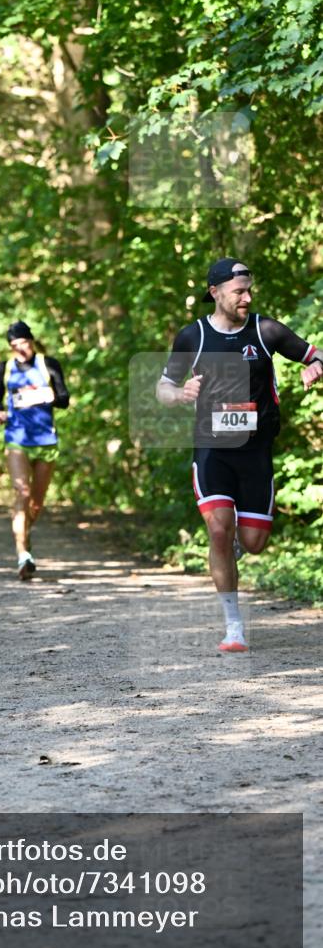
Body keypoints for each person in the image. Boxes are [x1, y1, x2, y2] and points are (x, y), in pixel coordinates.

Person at [157, 257, 323, 653]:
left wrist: (314, 367)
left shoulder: (266, 331)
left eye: (249, 290)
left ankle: (233, 545)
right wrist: (180, 395)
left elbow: (316, 354)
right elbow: (163, 386)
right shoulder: (192, 336)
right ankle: (234, 627)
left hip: (256, 451)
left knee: (252, 543)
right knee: (218, 528)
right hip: (213, 449)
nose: (247, 298)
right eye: (239, 292)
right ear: (215, 293)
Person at [0, 321, 69, 580]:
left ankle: (25, 534)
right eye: (14, 346)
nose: (19, 349)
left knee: (36, 504)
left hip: (46, 440)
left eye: (23, 343)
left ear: (31, 341)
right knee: (21, 493)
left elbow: (65, 398)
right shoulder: (6, 368)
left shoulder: (48, 364)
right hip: (17, 439)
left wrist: (48, 397)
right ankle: (23, 554)